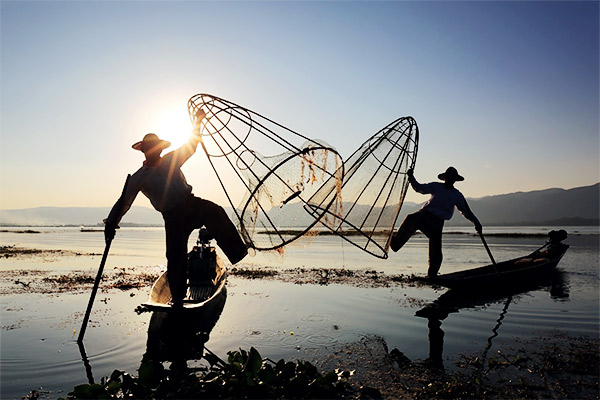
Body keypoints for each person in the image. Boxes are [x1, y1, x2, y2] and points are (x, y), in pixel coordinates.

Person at [104, 109, 247, 306]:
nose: (155, 151)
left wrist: (197, 121)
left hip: (191, 205)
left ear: (160, 149)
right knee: (175, 257)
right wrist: (111, 223)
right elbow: (124, 201)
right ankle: (178, 300)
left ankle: (237, 252)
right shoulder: (139, 177)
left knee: (215, 211)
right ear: (145, 151)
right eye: (150, 148)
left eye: (156, 147)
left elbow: (191, 145)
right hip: (172, 217)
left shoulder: (171, 159)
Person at [390, 166, 482, 278]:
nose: (450, 180)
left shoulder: (457, 195)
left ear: (454, 180)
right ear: (445, 178)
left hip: (437, 223)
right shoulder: (437, 187)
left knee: (436, 252)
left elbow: (466, 211)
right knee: (410, 219)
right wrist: (411, 177)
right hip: (424, 215)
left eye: (452, 178)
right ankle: (394, 242)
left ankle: (432, 275)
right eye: (449, 177)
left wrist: (476, 223)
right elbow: (420, 188)